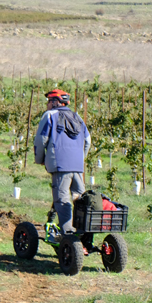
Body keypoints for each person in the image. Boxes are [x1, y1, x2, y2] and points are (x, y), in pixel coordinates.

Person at [34, 89, 91, 236]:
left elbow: (41, 140)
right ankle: (82, 235)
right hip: (77, 167)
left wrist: (40, 159)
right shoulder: (77, 117)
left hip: (60, 165)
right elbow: (88, 141)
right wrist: (79, 158)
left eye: (49, 101)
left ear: (56, 102)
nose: (47, 104)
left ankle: (67, 236)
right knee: (80, 200)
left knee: (62, 200)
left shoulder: (49, 115)